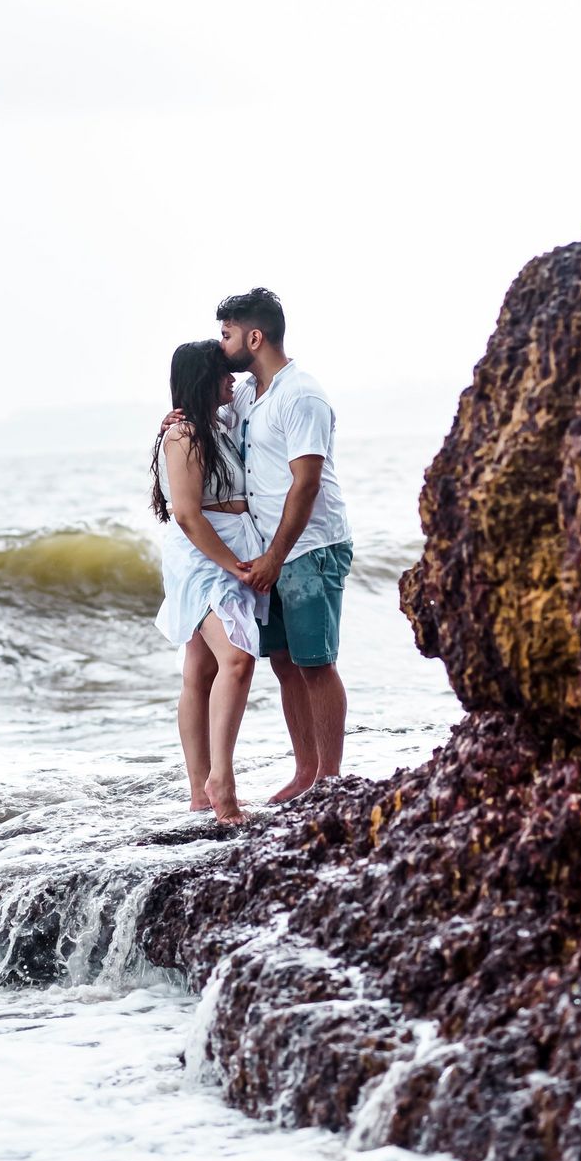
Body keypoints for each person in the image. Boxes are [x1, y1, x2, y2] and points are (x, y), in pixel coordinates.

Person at [215, 288, 353, 803]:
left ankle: (331, 782)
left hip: (311, 547)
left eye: (227, 334)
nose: (221, 345)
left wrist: (274, 557)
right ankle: (305, 773)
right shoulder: (249, 393)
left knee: (316, 661)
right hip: (269, 550)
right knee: (284, 663)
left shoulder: (303, 395)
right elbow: (218, 432)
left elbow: (307, 483)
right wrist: (179, 417)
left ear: (255, 337)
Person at [151, 340, 269, 825]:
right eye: (224, 373)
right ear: (204, 379)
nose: (233, 380)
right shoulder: (182, 435)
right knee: (237, 659)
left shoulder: (217, 425)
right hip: (204, 558)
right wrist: (235, 566)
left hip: (229, 550)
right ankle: (222, 779)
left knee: (199, 673)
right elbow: (185, 514)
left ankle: (199, 794)